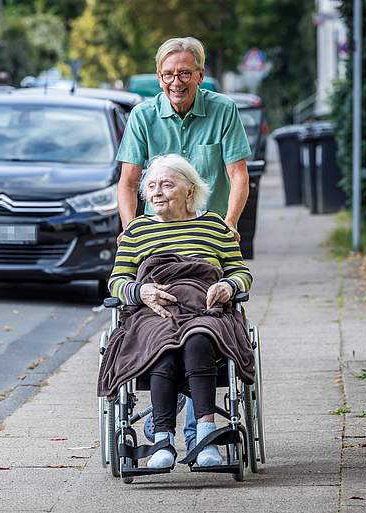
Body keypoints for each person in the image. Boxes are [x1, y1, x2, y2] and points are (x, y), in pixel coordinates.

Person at [115, 36, 252, 452]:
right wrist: (134, 233)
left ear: (200, 75)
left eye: (185, 73)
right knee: (162, 332)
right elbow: (129, 183)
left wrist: (223, 228)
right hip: (155, 240)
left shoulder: (223, 111)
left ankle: (199, 434)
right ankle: (167, 431)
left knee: (202, 330)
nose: (177, 81)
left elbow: (239, 176)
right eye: (169, 74)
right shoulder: (143, 116)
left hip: (205, 233)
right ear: (159, 77)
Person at [97, 154, 254, 469]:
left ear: (190, 191)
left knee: (198, 338)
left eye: (167, 185)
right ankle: (162, 442)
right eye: (152, 186)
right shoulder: (137, 231)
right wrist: (141, 291)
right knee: (163, 345)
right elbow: (116, 282)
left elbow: (241, 272)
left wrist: (228, 287)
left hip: (205, 310)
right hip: (155, 311)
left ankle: (207, 440)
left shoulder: (213, 226)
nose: (157, 192)